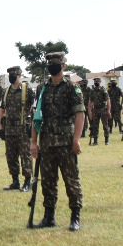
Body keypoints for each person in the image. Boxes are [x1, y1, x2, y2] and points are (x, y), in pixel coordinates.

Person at [31, 51, 86, 229]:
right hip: (47, 142)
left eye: (56, 63)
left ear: (63, 66)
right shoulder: (42, 88)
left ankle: (75, 217)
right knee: (48, 181)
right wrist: (33, 141)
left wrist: (76, 139)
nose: (52, 66)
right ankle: (49, 217)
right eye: (50, 64)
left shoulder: (72, 87)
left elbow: (80, 114)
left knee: (71, 179)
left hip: (66, 141)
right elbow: (36, 116)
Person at [0, 66, 34, 192]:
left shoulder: (27, 89)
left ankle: (28, 182)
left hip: (23, 128)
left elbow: (34, 107)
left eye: (14, 75)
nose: (12, 77)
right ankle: (15, 181)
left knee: (25, 155)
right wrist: (0, 127)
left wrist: (32, 125)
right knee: (11, 155)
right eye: (10, 75)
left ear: (19, 75)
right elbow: (2, 110)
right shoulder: (6, 91)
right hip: (10, 128)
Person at [85, 77, 109, 145]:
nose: (95, 82)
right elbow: (90, 102)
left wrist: (108, 110)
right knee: (95, 125)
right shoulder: (92, 91)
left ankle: (106, 140)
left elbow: (108, 100)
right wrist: (89, 111)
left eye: (97, 81)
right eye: (95, 81)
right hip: (95, 109)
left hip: (103, 109)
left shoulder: (103, 90)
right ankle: (95, 141)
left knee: (105, 125)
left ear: (100, 82)